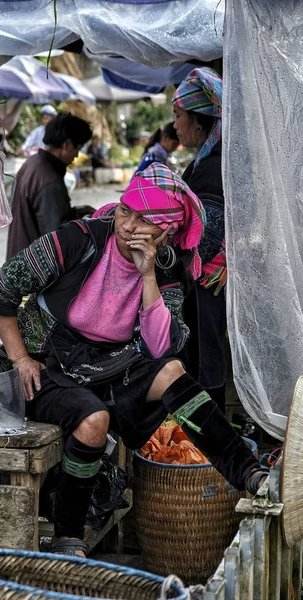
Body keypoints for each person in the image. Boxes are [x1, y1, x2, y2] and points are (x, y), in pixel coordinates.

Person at [0, 162, 268, 558]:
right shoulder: (75, 240)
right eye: (126, 209)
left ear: (166, 233)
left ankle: (247, 470)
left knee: (172, 371)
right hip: (49, 365)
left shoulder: (163, 269)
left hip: (109, 366)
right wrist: (21, 358)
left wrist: (147, 276)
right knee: (93, 421)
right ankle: (67, 536)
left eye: (145, 219)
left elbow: (162, 344)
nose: (128, 225)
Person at [172, 67, 227, 412]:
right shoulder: (206, 161)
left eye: (178, 116)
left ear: (198, 120)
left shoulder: (211, 167)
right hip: (206, 285)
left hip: (209, 286)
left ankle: (212, 450)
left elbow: (204, 241)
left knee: (206, 365)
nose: (175, 124)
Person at [6, 112, 94, 260]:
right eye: (77, 148)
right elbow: (57, 238)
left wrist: (76, 214)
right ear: (66, 145)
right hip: (34, 270)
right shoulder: (49, 179)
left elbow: (42, 215)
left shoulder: (32, 163)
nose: (77, 155)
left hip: (20, 259)